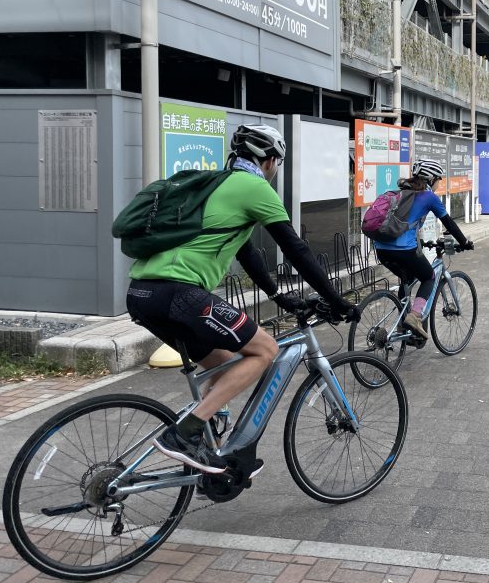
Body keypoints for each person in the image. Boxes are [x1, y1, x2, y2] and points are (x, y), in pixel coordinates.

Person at [126, 124, 359, 474]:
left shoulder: (218, 184)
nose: (275, 168)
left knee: (231, 364)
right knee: (266, 351)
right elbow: (294, 248)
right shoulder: (253, 186)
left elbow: (247, 251)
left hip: (142, 294)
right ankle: (185, 434)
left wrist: (279, 296)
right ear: (269, 161)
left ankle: (207, 453)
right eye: (277, 162)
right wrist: (337, 300)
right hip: (179, 293)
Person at [373, 159, 474, 343]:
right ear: (431, 179)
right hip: (403, 250)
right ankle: (414, 316)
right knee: (429, 277)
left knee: (408, 279)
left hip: (381, 249)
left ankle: (404, 325)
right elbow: (448, 223)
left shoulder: (402, 192)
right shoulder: (429, 197)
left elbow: (406, 224)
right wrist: (464, 242)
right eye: (439, 179)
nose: (439, 183)